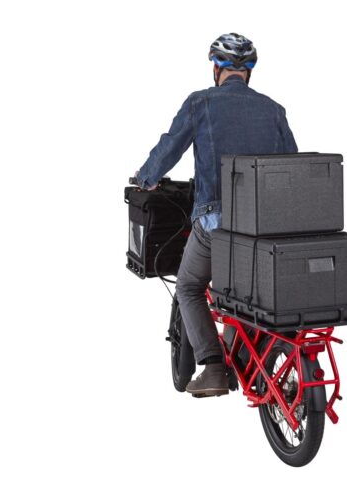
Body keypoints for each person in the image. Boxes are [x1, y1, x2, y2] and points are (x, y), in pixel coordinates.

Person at [135, 33, 297, 396]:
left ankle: (212, 367)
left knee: (189, 286)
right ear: (248, 72)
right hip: (265, 227)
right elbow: (293, 167)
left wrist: (146, 178)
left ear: (216, 68)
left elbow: (168, 149)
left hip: (216, 223)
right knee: (250, 290)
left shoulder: (200, 103)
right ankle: (248, 354)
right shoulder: (274, 110)